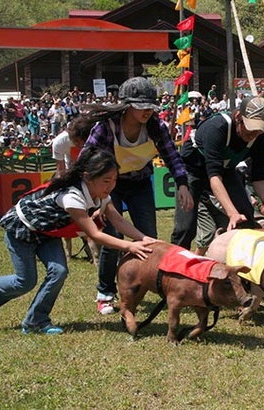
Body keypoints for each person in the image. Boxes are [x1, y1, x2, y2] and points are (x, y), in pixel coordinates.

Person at [0, 147, 156, 334]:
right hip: (22, 230)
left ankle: (36, 321)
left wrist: (144, 238)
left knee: (59, 271)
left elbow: (119, 221)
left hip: (48, 233)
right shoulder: (72, 197)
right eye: (106, 181)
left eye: (114, 180)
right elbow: (95, 235)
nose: (111, 186)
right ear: (88, 177)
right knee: (25, 281)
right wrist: (130, 245)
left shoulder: (101, 196)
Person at [80, 77, 193, 314]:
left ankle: (143, 286)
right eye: (141, 107)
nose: (147, 111)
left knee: (148, 239)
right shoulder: (106, 128)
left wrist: (182, 183)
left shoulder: (156, 127)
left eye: (150, 106)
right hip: (111, 187)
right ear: (126, 106)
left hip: (140, 184)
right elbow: (85, 161)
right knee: (113, 239)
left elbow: (172, 156)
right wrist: (96, 201)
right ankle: (105, 293)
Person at [171, 96, 264, 250]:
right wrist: (232, 213)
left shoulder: (261, 137)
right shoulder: (217, 128)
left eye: (259, 130)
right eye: (250, 128)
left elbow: (259, 177)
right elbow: (214, 176)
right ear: (238, 116)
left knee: (246, 215)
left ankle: (241, 261)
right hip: (193, 171)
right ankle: (173, 264)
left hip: (225, 170)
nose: (254, 134)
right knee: (186, 227)